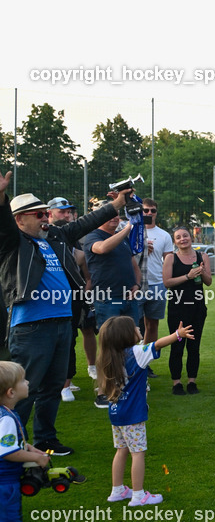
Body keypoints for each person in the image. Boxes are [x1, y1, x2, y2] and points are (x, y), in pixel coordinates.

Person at [1, 174, 134, 455]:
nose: (44, 218)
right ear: (19, 220)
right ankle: (12, 445)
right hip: (31, 327)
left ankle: (45, 440)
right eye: (38, 215)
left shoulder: (56, 236)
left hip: (62, 322)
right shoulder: (12, 242)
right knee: (26, 388)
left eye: (45, 213)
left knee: (52, 387)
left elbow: (84, 223)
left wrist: (116, 205)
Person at [98, 316, 194, 508]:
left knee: (121, 450)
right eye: (134, 326)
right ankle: (139, 495)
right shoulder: (136, 353)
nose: (138, 328)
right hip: (133, 416)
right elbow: (157, 345)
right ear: (126, 335)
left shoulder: (109, 357)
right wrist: (178, 335)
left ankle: (117, 490)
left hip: (116, 414)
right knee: (138, 453)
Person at [0, 361, 48, 522]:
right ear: (10, 392)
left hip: (5, 484)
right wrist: (36, 459)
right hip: (4, 486)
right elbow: (9, 453)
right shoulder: (6, 419)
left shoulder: (6, 414)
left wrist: (33, 449)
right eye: (23, 381)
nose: (27, 383)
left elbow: (16, 443)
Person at [47, 197, 93, 403]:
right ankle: (49, 382)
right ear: (50, 213)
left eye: (69, 212)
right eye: (62, 211)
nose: (67, 215)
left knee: (69, 338)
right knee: (46, 341)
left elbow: (85, 272)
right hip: (45, 298)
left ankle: (66, 382)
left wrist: (83, 294)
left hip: (72, 298)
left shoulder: (74, 239)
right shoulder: (40, 237)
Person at [162, 227, 211, 395]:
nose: (183, 239)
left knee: (194, 346)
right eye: (178, 237)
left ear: (191, 237)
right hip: (178, 308)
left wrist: (202, 272)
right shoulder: (171, 258)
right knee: (177, 345)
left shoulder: (201, 256)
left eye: (185, 235)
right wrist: (188, 276)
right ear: (175, 241)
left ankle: (192, 381)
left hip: (197, 308)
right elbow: (167, 282)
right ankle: (176, 382)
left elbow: (209, 282)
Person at [83, 206, 142, 330]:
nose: (115, 218)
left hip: (129, 299)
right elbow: (102, 248)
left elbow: (134, 265)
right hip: (108, 300)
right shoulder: (93, 236)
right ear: (99, 217)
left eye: (117, 214)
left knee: (132, 339)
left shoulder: (122, 238)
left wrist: (137, 284)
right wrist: (127, 229)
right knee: (111, 343)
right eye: (110, 215)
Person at [139, 199, 173, 347]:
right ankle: (132, 362)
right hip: (136, 284)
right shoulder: (133, 231)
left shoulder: (164, 235)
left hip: (157, 284)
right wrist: (141, 249)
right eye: (146, 210)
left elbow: (169, 261)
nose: (149, 213)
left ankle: (146, 363)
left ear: (156, 213)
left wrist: (167, 282)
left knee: (152, 325)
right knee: (131, 325)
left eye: (152, 211)